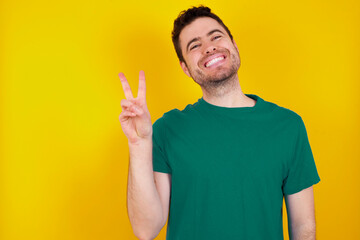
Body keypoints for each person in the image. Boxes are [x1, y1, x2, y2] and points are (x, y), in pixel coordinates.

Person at [119, 5, 321, 240]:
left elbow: (304, 225)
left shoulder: (288, 126)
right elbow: (146, 229)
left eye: (216, 36)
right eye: (194, 45)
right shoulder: (167, 129)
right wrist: (139, 144)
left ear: (234, 46)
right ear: (185, 68)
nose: (209, 47)